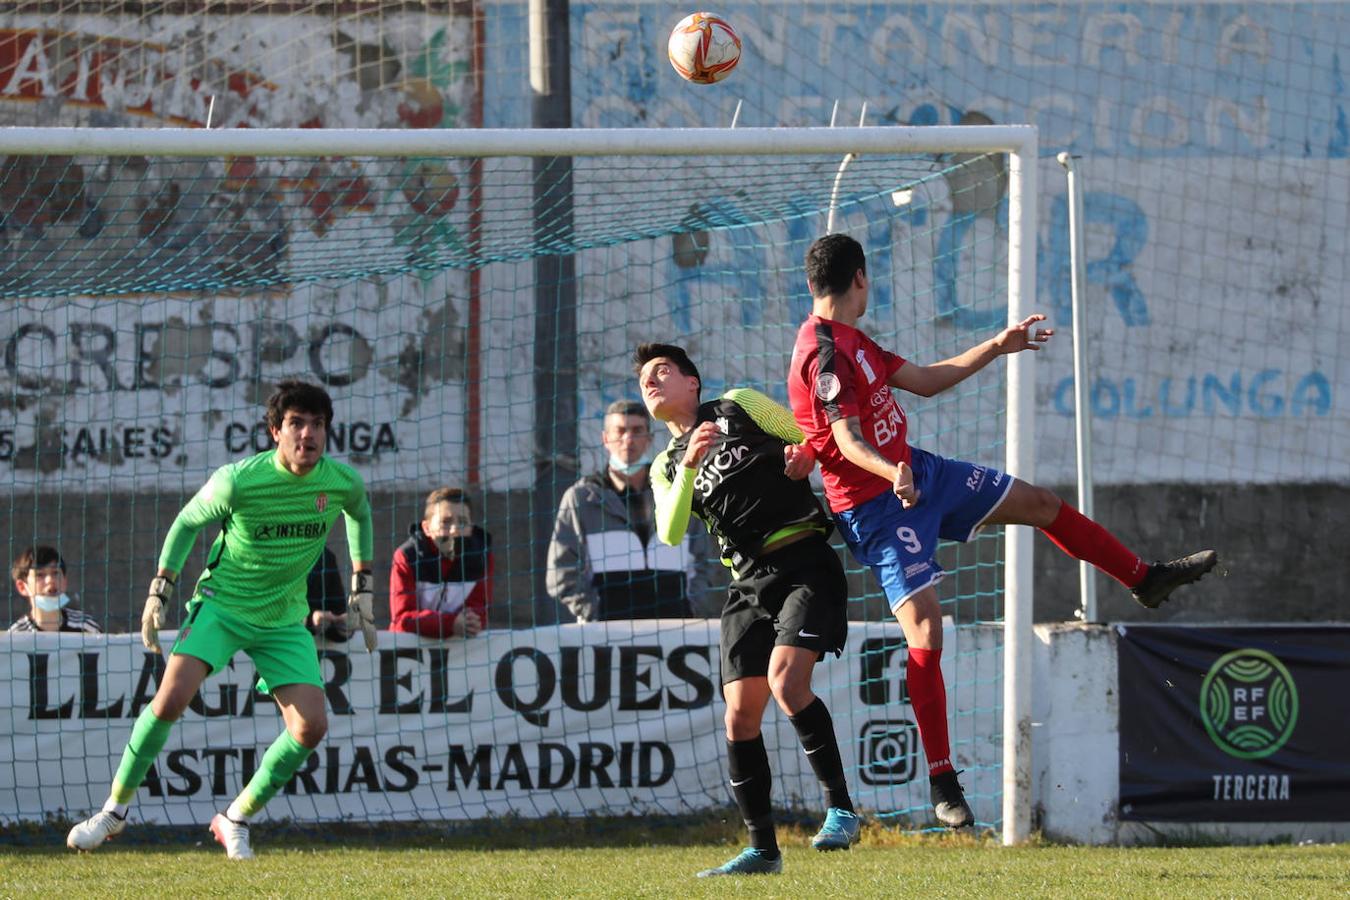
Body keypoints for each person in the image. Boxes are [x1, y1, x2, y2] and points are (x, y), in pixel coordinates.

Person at [787, 233, 1219, 828]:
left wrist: (997, 345)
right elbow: (844, 440)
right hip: (878, 505)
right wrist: (893, 472)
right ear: (859, 277)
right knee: (926, 624)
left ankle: (1144, 578)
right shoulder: (824, 353)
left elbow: (926, 379)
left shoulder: (856, 341)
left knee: (1041, 503)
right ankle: (942, 778)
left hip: (920, 475)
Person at [65, 380, 376, 860]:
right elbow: (187, 522)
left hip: (283, 619)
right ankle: (114, 812)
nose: (308, 434)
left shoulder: (341, 482)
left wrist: (363, 587)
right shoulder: (238, 480)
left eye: (317, 425)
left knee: (311, 728)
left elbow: (359, 513)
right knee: (169, 701)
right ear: (276, 430)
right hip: (223, 606)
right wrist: (160, 589)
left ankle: (235, 819)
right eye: (296, 423)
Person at [636, 342, 861, 877]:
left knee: (787, 683)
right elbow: (669, 533)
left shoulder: (738, 405)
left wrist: (805, 455)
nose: (651, 381)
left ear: (693, 383)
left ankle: (842, 808)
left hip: (803, 560)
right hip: (746, 585)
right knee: (739, 716)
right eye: (644, 378)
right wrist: (689, 463)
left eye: (662, 371)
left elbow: (812, 436)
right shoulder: (665, 465)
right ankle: (763, 849)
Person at [547, 399, 710, 621]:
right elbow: (560, 572)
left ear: (649, 439)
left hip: (674, 634)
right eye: (620, 430)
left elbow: (704, 561)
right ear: (605, 438)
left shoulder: (677, 492)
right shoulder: (581, 499)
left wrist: (689, 609)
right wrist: (595, 613)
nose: (628, 439)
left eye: (637, 430)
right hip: (606, 638)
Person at [390, 486, 491, 639]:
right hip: (408, 651)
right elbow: (402, 619)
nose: (455, 530)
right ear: (427, 528)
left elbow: (479, 609)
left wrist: (472, 622)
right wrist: (450, 624)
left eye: (463, 522)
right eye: (446, 522)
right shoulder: (406, 557)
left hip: (462, 651)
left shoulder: (482, 556)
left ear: (471, 528)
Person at [9, 545, 100, 634]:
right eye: (40, 575)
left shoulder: (86, 627)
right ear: (22, 587)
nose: (50, 580)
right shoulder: (15, 636)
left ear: (65, 581)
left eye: (55, 573)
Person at [305, 546, 347, 643]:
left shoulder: (325, 557)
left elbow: (338, 612)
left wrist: (342, 627)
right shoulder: (270, 553)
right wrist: (310, 619)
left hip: (313, 650)